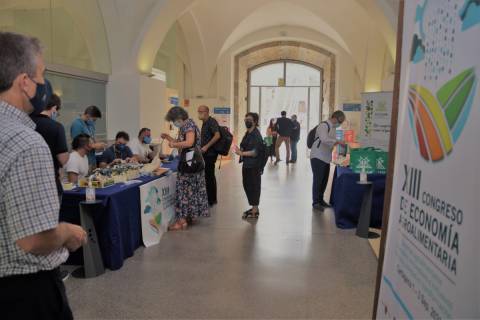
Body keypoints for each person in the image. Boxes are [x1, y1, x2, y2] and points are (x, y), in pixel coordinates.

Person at [0, 31, 87, 320]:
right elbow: (34, 240)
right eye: (41, 75)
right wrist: (66, 232)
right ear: (24, 82)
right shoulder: (26, 142)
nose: (43, 85)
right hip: (25, 293)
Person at [161, 106, 209, 230]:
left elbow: (189, 143)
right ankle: (190, 216)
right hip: (194, 163)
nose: (174, 123)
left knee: (183, 191)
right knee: (192, 191)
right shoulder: (188, 125)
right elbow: (181, 142)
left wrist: (174, 144)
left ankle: (181, 221)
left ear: (179, 117)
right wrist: (168, 138)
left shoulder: (188, 126)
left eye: (174, 120)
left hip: (189, 164)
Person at [31, 92, 69, 198]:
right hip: (49, 183)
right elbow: (62, 159)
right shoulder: (56, 127)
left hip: (27, 182)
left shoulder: (26, 123)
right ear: (54, 108)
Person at [310, 110, 346, 210]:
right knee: (318, 180)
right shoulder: (324, 125)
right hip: (317, 157)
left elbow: (331, 142)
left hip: (326, 157)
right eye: (340, 121)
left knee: (324, 180)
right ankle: (316, 202)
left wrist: (337, 144)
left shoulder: (334, 128)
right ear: (335, 118)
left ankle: (321, 200)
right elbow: (324, 139)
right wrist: (338, 141)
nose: (340, 123)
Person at [235, 112, 263, 219]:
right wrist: (240, 149)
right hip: (247, 165)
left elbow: (255, 152)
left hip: (254, 166)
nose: (247, 121)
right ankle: (254, 208)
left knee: (253, 187)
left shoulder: (256, 134)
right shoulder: (248, 133)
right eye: (246, 119)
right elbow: (244, 145)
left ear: (255, 122)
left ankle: (255, 211)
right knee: (247, 186)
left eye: (249, 119)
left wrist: (242, 153)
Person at [198, 105, 221, 207]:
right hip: (205, 153)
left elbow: (217, 135)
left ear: (207, 112)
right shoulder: (205, 122)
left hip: (210, 154)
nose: (199, 113)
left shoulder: (211, 121)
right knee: (207, 176)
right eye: (198, 111)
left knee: (209, 176)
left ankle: (211, 200)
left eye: (201, 111)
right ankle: (210, 198)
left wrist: (206, 147)